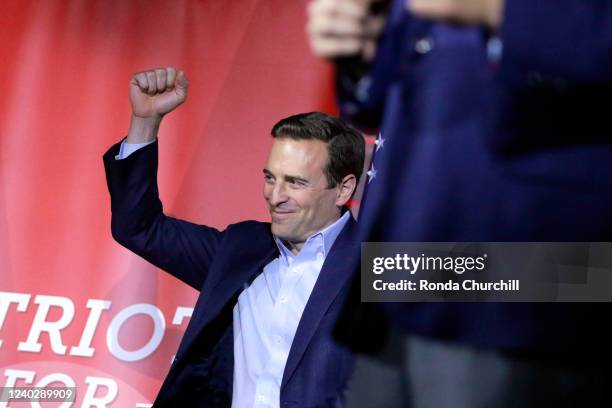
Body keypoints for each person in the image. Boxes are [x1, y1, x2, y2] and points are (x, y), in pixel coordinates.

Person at [308, 0, 612, 407]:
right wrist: (366, 52)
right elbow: (391, 89)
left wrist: (500, 11)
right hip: (402, 266)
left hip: (541, 264)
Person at [103, 67, 365, 407]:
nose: (275, 195)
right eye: (271, 178)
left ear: (343, 188)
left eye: (295, 182)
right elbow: (139, 228)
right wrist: (145, 122)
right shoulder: (240, 249)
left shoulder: (382, 265)